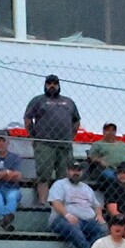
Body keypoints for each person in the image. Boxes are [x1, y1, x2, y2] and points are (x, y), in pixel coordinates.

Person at [23, 74, 80, 204]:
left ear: (59, 85)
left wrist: (70, 137)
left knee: (64, 177)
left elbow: (76, 121)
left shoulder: (69, 102)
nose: (52, 86)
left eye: (55, 83)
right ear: (45, 85)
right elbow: (27, 119)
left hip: (64, 145)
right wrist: (33, 137)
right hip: (44, 144)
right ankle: (43, 203)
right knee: (43, 175)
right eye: (49, 83)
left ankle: (61, 204)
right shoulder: (38, 100)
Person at [47, 159, 105, 248]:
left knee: (103, 229)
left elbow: (97, 205)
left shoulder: (86, 188)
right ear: (67, 171)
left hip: (87, 220)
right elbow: (55, 202)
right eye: (73, 170)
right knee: (74, 228)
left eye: (78, 170)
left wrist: (99, 215)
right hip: (63, 219)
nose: (76, 173)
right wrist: (67, 215)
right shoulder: (60, 184)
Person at [87, 122, 125, 191]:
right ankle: (119, 194)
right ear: (103, 132)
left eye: (113, 130)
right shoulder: (97, 144)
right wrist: (99, 160)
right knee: (112, 177)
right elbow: (90, 157)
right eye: (108, 130)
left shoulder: (123, 144)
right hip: (110, 169)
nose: (110, 132)